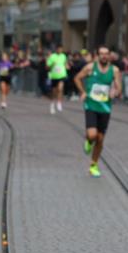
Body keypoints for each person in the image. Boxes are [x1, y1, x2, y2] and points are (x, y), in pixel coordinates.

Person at [75, 45, 122, 178]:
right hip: (91, 105)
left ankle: (93, 165)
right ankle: (89, 141)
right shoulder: (90, 67)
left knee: (100, 139)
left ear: (109, 55)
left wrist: (115, 91)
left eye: (106, 53)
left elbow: (119, 89)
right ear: (97, 55)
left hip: (105, 108)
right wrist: (83, 92)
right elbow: (77, 78)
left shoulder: (115, 70)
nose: (104, 56)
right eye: (101, 54)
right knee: (92, 135)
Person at [46, 44, 69, 113]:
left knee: (60, 89)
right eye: (58, 49)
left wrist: (67, 66)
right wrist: (52, 64)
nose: (60, 50)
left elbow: (65, 64)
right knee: (54, 91)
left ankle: (59, 103)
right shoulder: (52, 56)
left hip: (62, 75)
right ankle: (52, 104)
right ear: (56, 49)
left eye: (61, 49)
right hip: (54, 76)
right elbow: (47, 66)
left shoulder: (63, 56)